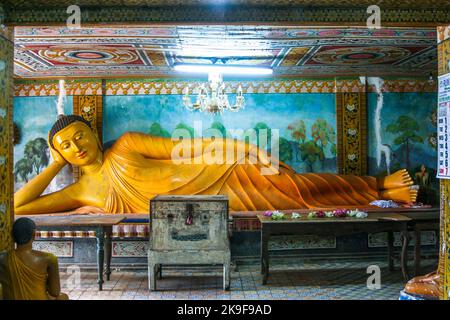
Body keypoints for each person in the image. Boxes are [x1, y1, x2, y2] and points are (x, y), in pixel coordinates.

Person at [14, 115, 417, 215]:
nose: (76, 145)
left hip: (221, 174)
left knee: (303, 184)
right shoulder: (81, 190)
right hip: (213, 205)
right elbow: (18, 207)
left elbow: (194, 147)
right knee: (296, 200)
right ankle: (379, 191)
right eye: (65, 146)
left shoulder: (126, 145)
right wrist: (52, 166)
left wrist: (248, 149)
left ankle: (380, 186)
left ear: (92, 129)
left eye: (79, 135)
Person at [0, 218, 69, 300]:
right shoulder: (49, 259)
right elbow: (54, 292)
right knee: (63, 297)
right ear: (34, 234)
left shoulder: (2, 258)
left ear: (12, 235)